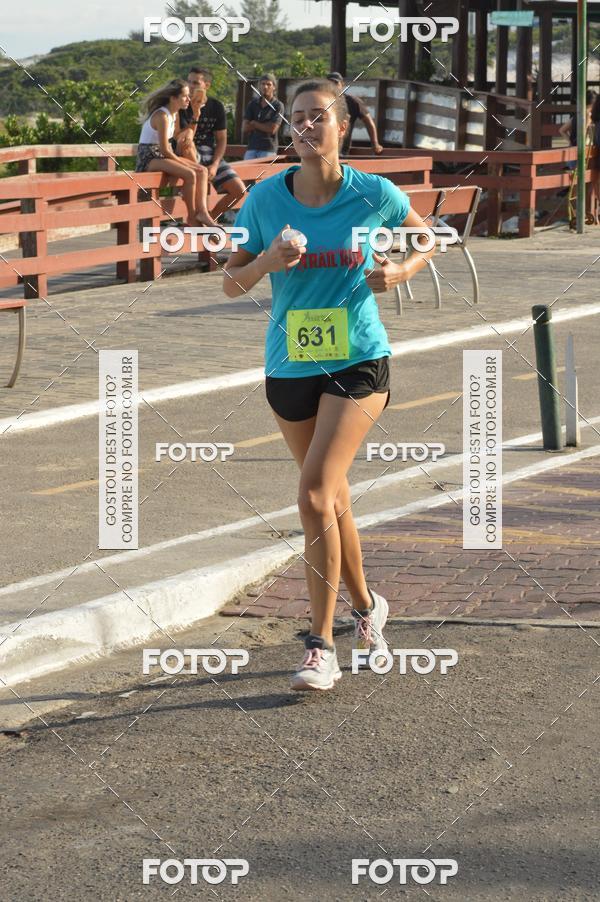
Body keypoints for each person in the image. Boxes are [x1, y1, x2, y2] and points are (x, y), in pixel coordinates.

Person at [224, 79, 434, 691]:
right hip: (290, 363)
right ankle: (369, 610)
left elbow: (429, 235)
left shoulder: (375, 194)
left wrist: (401, 267)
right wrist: (267, 262)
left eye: (318, 117)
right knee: (332, 497)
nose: (305, 127)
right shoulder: (264, 200)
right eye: (295, 119)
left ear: (342, 126)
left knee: (314, 494)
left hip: (358, 361)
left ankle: (319, 646)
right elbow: (231, 283)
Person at [135, 78, 218, 228]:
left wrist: (196, 115)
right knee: (191, 173)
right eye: (185, 96)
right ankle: (192, 217)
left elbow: (183, 138)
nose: (188, 99)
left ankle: (203, 212)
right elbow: (165, 149)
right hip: (149, 157)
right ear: (173, 98)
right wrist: (183, 162)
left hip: (160, 154)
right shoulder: (163, 116)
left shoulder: (173, 115)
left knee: (202, 170)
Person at [175, 67, 245, 222]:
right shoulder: (182, 106)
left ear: (206, 85)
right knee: (189, 146)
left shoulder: (216, 106)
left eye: (195, 82)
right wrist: (195, 112)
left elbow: (221, 139)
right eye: (189, 82)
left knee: (239, 190)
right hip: (187, 152)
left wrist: (215, 164)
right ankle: (197, 218)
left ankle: (209, 219)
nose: (191, 86)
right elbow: (183, 138)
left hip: (210, 153)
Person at [327, 72, 383, 156]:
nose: (333, 86)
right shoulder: (320, 102)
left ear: (342, 84)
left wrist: (375, 144)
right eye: (329, 83)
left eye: (336, 83)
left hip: (341, 151)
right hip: (323, 149)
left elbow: (368, 121)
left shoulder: (352, 102)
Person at [242, 73, 284, 160]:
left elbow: (272, 129)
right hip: (252, 147)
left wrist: (254, 123)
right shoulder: (253, 104)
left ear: (274, 87)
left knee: (265, 173)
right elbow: (245, 128)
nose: (265, 87)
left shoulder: (278, 105)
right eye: (263, 84)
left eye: (268, 84)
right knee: (246, 172)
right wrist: (265, 125)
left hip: (268, 149)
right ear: (259, 86)